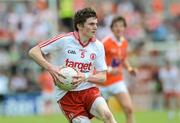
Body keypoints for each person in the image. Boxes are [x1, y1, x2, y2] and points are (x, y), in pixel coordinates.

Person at [28, 7, 117, 123]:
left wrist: (85, 77)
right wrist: (51, 68)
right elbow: (33, 51)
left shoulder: (98, 46)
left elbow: (102, 77)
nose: (95, 27)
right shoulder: (64, 40)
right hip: (66, 95)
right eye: (91, 24)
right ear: (79, 26)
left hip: (89, 90)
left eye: (96, 24)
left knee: (107, 115)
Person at [99, 16, 136, 123]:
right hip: (102, 83)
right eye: (116, 26)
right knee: (107, 116)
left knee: (129, 109)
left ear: (125, 28)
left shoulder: (124, 42)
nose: (119, 28)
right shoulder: (105, 43)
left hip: (117, 81)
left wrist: (129, 69)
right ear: (111, 28)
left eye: (121, 26)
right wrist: (110, 70)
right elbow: (97, 61)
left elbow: (123, 58)